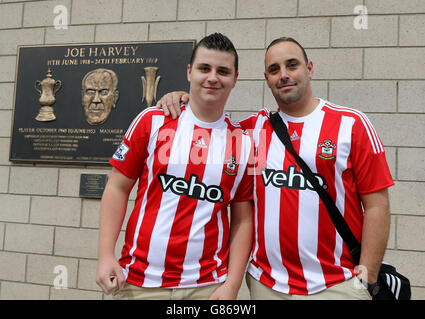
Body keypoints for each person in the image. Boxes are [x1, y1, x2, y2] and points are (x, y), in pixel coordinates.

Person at [157, 36, 394, 299]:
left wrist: (368, 276)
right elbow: (209, 120)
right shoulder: (251, 130)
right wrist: (183, 98)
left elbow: (377, 206)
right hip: (266, 285)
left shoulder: (352, 124)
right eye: (274, 69)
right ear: (266, 78)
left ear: (309, 68)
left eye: (292, 65)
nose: (283, 75)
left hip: (336, 284)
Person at [96, 33, 254, 300]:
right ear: (190, 71)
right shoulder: (153, 120)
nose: (213, 77)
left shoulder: (247, 143)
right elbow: (117, 187)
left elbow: (243, 219)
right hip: (139, 281)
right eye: (205, 68)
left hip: (207, 285)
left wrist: (232, 284)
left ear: (235, 79)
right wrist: (104, 255)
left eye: (223, 71)